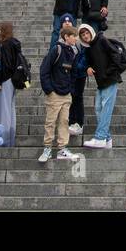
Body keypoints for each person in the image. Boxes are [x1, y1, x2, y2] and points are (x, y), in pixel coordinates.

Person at [38, 24, 82, 163]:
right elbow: (44, 70)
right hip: (54, 93)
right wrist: (49, 90)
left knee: (64, 121)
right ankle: (47, 148)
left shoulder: (74, 51)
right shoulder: (56, 49)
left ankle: (62, 148)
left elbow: (74, 72)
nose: (76, 38)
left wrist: (71, 89)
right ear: (66, 37)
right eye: (74, 36)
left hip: (66, 93)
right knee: (50, 122)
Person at [79, 22, 124, 149]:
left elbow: (115, 55)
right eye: (82, 34)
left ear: (91, 32)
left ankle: (100, 137)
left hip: (110, 80)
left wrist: (108, 72)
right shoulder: (88, 48)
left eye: (87, 33)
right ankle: (107, 139)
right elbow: (89, 63)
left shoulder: (102, 40)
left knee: (105, 109)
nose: (85, 36)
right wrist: (88, 67)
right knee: (98, 109)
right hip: (101, 82)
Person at [0, 22, 24, 148]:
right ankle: (9, 138)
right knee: (10, 109)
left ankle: (3, 138)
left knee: (3, 110)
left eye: (0, 29)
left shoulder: (5, 45)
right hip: (13, 79)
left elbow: (4, 65)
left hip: (6, 79)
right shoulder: (15, 43)